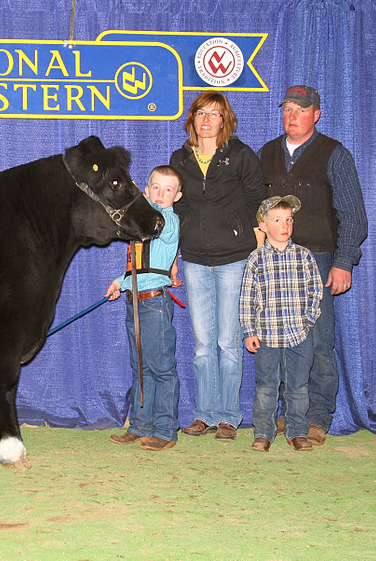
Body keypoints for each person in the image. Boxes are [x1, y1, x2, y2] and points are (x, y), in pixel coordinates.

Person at [259, 85, 368, 445]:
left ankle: (318, 417)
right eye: (288, 109)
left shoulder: (334, 154)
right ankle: (289, 415)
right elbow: (256, 210)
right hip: (276, 260)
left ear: (316, 114)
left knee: (318, 340)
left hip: (319, 259)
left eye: (301, 110)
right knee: (278, 339)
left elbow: (353, 216)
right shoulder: (268, 153)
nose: (292, 116)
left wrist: (343, 262)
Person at [170, 92, 265, 441]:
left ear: (225, 120)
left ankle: (228, 417)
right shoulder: (179, 158)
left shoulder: (240, 155)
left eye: (214, 114)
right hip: (194, 258)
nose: (206, 120)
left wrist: (257, 249)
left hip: (234, 259)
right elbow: (175, 213)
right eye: (201, 113)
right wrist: (173, 259)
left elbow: (258, 201)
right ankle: (204, 415)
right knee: (202, 343)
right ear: (192, 118)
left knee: (228, 341)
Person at [107, 166, 183, 451]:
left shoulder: (170, 221)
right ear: (148, 189)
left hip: (155, 304)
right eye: (155, 188)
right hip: (135, 301)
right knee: (140, 367)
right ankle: (140, 425)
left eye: (168, 190)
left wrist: (140, 200)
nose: (161, 195)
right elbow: (138, 267)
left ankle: (165, 430)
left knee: (161, 367)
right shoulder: (141, 224)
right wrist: (119, 282)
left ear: (178, 196)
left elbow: (157, 220)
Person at [239, 196, 323, 452]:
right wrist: (249, 331)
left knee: (298, 386)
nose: (285, 225)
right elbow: (247, 298)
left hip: (299, 335)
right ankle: (264, 432)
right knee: (266, 386)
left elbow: (315, 291)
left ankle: (297, 431)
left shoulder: (304, 256)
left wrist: (307, 322)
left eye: (288, 220)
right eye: (277, 220)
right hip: (267, 336)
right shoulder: (256, 259)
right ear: (263, 226)